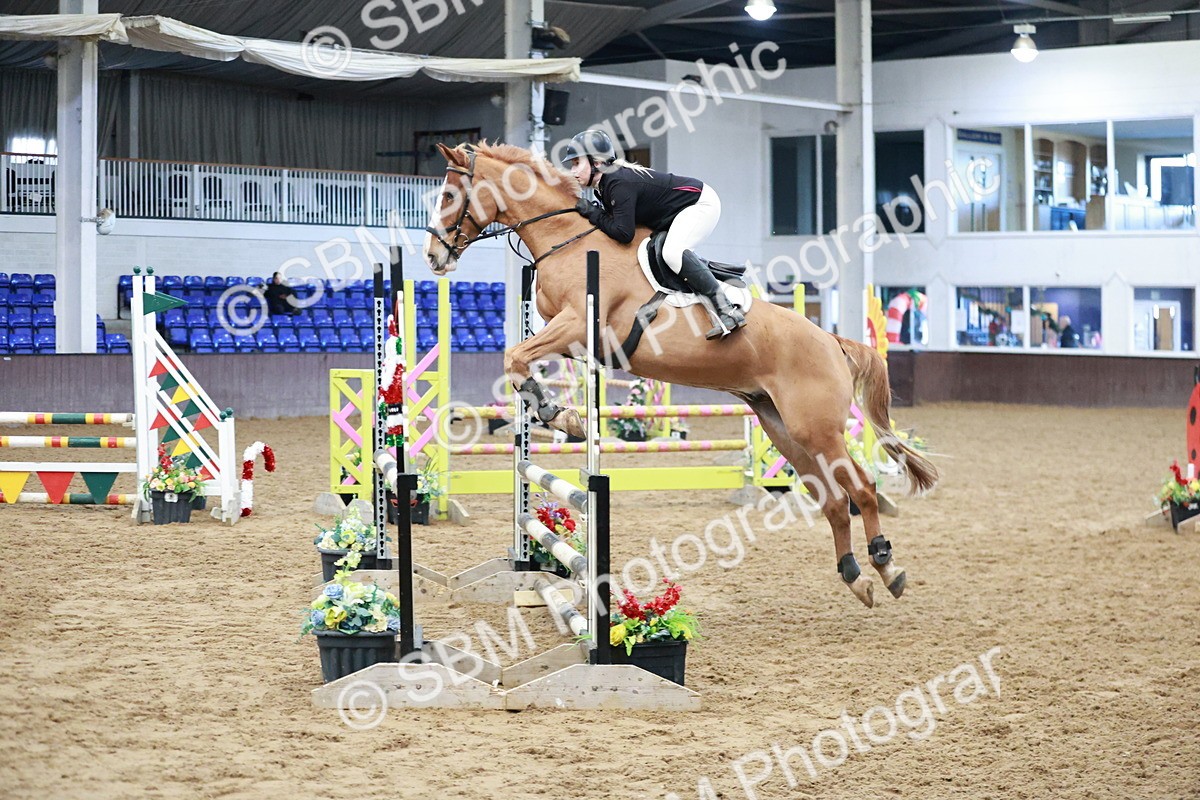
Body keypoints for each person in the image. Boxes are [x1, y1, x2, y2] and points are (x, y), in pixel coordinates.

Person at [561, 129, 745, 339]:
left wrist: (593, 213)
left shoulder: (617, 183)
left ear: (597, 163)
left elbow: (623, 233)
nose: (573, 171)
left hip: (700, 204)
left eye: (577, 163)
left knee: (672, 253)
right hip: (677, 212)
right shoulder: (605, 185)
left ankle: (727, 309)